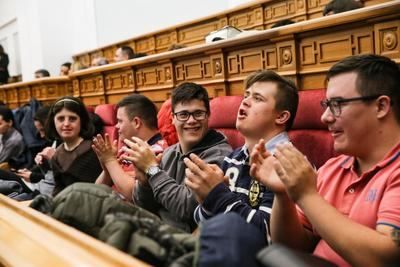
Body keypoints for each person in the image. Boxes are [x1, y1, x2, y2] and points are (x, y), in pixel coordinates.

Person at [251, 54, 400, 266]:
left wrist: (306, 195)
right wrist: (283, 194)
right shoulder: (332, 168)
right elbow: (290, 247)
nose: (325, 117)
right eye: (326, 105)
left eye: (337, 104)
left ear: (381, 106)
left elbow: (386, 259)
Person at [184, 70, 298, 238]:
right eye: (246, 95)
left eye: (257, 98)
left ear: (281, 116)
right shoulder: (234, 157)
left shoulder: (289, 164)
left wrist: (216, 195)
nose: (245, 102)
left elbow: (269, 236)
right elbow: (203, 221)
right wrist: (205, 199)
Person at [122, 82, 232, 232]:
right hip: (155, 230)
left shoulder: (219, 155)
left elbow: (187, 210)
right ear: (172, 118)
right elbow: (145, 205)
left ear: (208, 116)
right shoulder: (169, 152)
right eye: (183, 115)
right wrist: (144, 183)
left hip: (182, 241)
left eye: (198, 113)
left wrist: (153, 170)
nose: (191, 120)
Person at [93, 94, 168, 201]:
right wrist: (107, 169)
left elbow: (135, 195)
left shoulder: (159, 151)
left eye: (120, 121)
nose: (116, 126)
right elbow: (96, 189)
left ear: (136, 122)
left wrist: (110, 161)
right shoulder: (129, 149)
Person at [45, 96, 102, 195]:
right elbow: (58, 191)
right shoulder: (56, 155)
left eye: (72, 119)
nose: (66, 124)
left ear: (82, 121)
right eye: (61, 119)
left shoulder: (94, 149)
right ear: (53, 122)